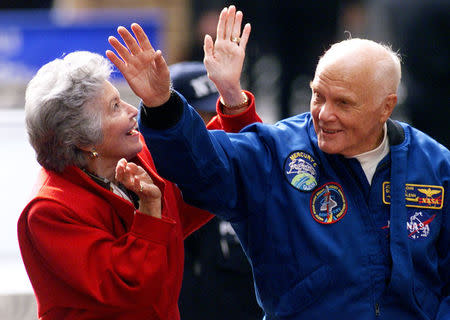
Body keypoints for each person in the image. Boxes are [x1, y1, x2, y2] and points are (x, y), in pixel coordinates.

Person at [136, 29, 450, 319]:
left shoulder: (435, 166)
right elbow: (200, 166)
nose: (325, 114)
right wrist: (162, 106)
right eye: (318, 96)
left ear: (386, 108)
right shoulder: (277, 151)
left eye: (343, 103)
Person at [17, 6, 260, 319]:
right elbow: (132, 290)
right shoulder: (49, 211)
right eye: (115, 107)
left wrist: (230, 94)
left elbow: (212, 174)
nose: (133, 112)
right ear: (82, 140)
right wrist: (149, 212)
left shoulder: (135, 157)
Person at [169, 60, 263, 319]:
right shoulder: (151, 193)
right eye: (204, 118)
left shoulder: (246, 189)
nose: (214, 128)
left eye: (218, 117)